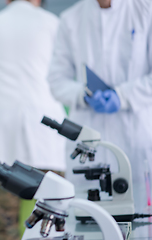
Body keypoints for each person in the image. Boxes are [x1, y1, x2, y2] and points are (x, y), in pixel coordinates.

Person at [47, 0, 152, 214]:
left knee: (141, 221)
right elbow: (57, 80)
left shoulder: (145, 10)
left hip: (137, 136)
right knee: (90, 220)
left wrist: (121, 96)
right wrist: (83, 94)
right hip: (89, 139)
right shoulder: (71, 19)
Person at [0, 0, 67, 239]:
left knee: (6, 226)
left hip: (3, 137)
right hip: (47, 133)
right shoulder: (52, 23)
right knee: (56, 221)